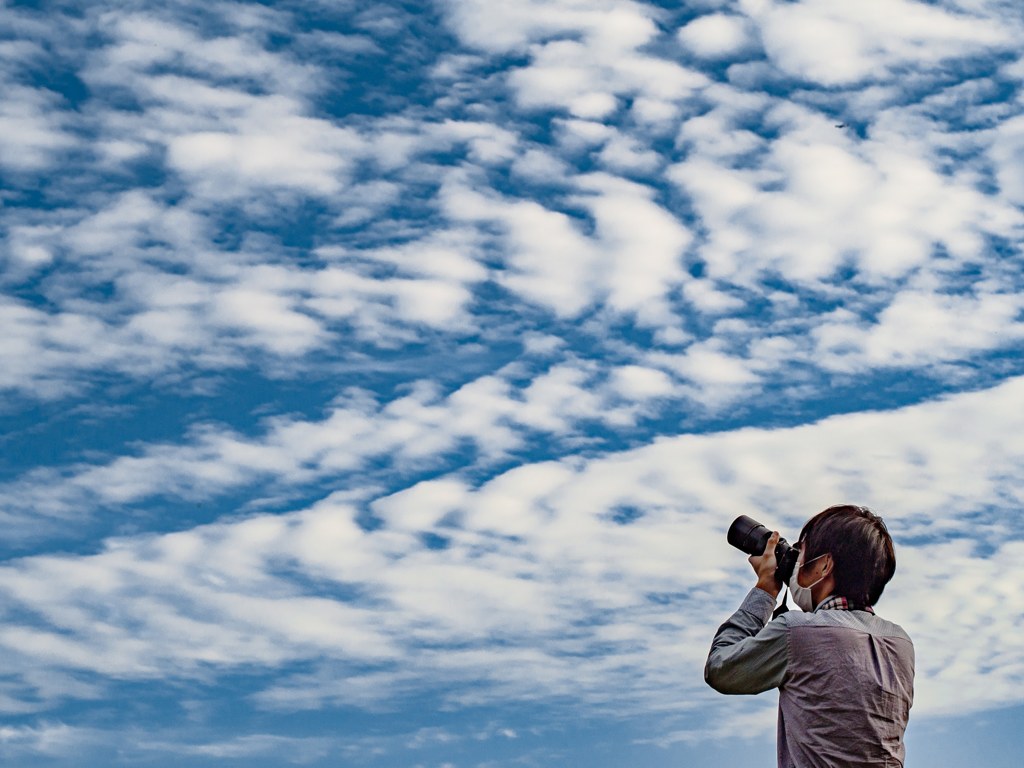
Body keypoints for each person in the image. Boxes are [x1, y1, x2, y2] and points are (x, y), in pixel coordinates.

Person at [705, 504, 914, 768]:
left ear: (825, 565)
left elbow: (719, 668)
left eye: (801, 554)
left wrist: (766, 590)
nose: (796, 564)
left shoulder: (797, 632)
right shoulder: (901, 644)